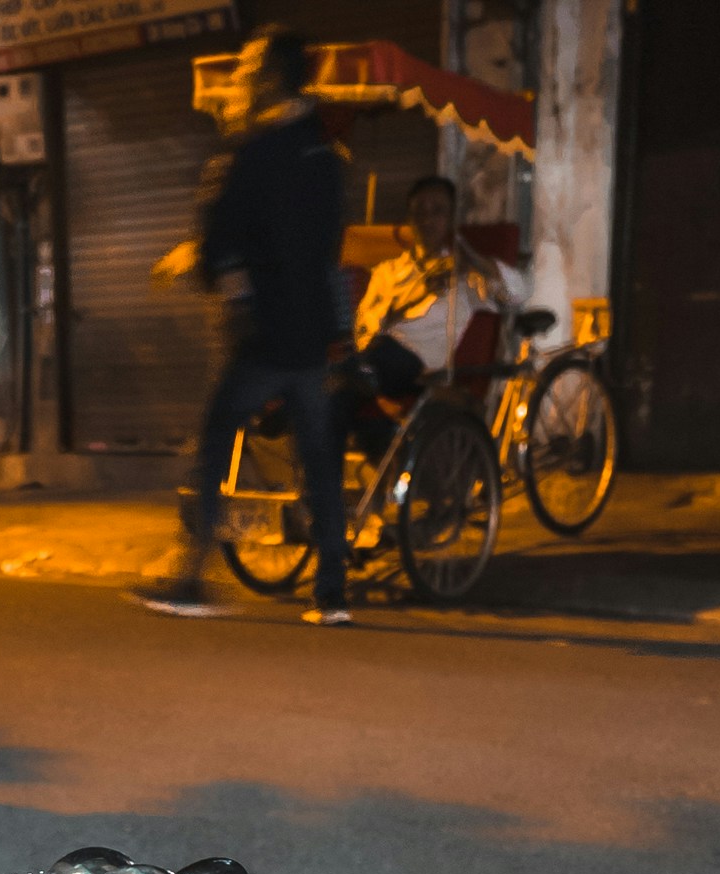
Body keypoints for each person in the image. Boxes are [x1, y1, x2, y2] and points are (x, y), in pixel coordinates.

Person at [135, 26, 349, 626]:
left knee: (215, 439)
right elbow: (330, 249)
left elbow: (221, 243)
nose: (244, 79)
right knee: (318, 455)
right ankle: (332, 590)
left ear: (274, 76)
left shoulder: (251, 152)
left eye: (252, 68)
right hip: (309, 334)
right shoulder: (326, 157)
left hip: (264, 336)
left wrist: (236, 303)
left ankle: (192, 574)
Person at [338, 173, 525, 458]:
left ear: (450, 219)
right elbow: (364, 326)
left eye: (437, 212)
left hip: (420, 364)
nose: (427, 221)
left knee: (350, 375)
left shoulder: (462, 276)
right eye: (419, 213)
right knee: (335, 401)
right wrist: (411, 299)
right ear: (410, 220)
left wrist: (473, 260)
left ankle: (344, 379)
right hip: (377, 358)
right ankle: (327, 495)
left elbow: (516, 294)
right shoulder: (388, 272)